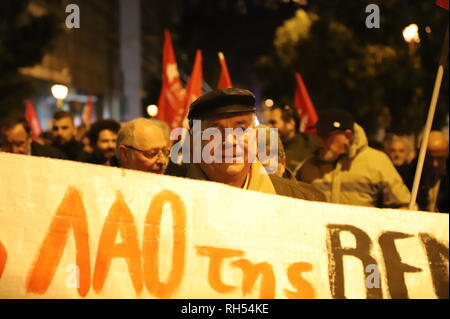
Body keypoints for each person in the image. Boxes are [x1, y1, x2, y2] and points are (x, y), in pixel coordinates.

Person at [178, 88, 325, 201]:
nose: (230, 142)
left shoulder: (303, 202)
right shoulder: (168, 198)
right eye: (214, 132)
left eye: (241, 130)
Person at [296, 109, 411, 208]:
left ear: (347, 136)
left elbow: (404, 207)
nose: (319, 142)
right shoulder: (307, 166)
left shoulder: (377, 162)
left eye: (325, 136)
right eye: (318, 135)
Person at [265, 103, 316, 173]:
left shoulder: (310, 146)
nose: (268, 126)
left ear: (290, 124)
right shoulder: (266, 146)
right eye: (268, 123)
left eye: (273, 122)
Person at [407, 131, 448, 213]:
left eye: (440, 158)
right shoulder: (408, 177)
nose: (435, 164)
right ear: (421, 154)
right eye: (430, 157)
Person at [1, 117, 66, 159]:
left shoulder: (52, 157)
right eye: (8, 144)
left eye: (19, 144)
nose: (14, 150)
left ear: (29, 138)